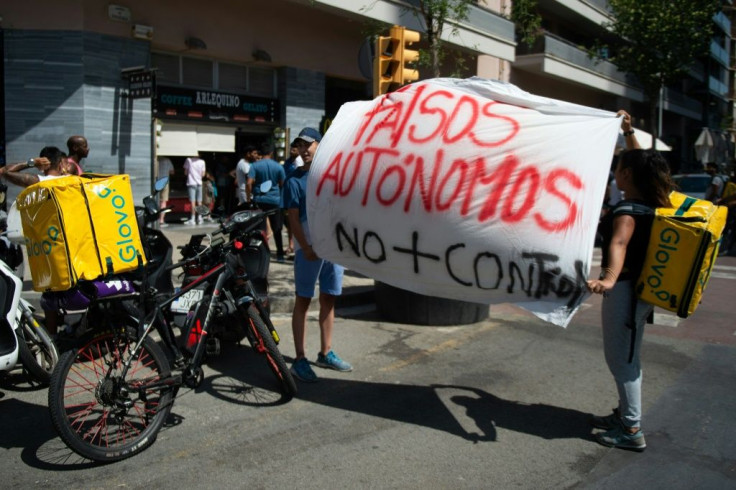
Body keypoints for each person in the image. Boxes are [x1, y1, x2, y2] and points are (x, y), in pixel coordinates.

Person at [586, 110, 673, 452]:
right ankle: (625, 415)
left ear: (624, 175)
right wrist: (629, 132)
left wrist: (607, 279)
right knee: (628, 356)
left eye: (619, 170)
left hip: (625, 291)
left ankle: (632, 428)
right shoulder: (650, 202)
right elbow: (641, 163)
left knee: (621, 359)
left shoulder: (626, 212)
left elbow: (618, 243)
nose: (615, 174)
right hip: (637, 291)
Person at [282, 127, 353, 382]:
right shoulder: (293, 181)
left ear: (320, 145)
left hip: (333, 252)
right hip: (308, 252)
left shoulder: (333, 179)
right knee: (303, 301)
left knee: (329, 300)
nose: (303, 150)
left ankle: (326, 352)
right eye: (299, 146)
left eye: (308, 145)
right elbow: (292, 219)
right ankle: (299, 359)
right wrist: (306, 247)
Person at [0, 146, 66, 335]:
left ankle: (52, 338)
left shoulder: (40, 182)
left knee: (50, 294)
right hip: (74, 246)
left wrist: (30, 163)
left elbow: (5, 172)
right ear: (61, 163)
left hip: (49, 248)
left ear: (43, 163)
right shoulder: (71, 181)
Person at [248, 142, 286, 261]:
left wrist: (250, 196)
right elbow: (282, 183)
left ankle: (260, 253)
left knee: (259, 228)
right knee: (277, 228)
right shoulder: (279, 166)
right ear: (271, 153)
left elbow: (249, 182)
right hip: (275, 200)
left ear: (260, 153)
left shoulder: (254, 166)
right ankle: (280, 254)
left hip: (259, 199)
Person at [282, 140, 304, 255]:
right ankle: (291, 244)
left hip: (297, 195)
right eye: (292, 147)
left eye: (295, 148)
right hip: (288, 193)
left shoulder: (299, 162)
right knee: (290, 221)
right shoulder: (287, 162)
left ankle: (296, 245)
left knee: (296, 220)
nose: (292, 150)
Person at [183, 154, 206, 225]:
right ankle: (199, 218)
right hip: (199, 183)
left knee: (193, 202)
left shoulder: (188, 160)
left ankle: (192, 219)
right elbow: (203, 174)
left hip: (191, 183)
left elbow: (185, 172)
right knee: (199, 202)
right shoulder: (202, 162)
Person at [157, 156, 175, 226]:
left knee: (156, 201)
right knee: (163, 202)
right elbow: (172, 172)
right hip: (165, 182)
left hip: (156, 182)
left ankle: (155, 219)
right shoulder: (167, 160)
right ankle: (161, 220)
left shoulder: (155, 159)